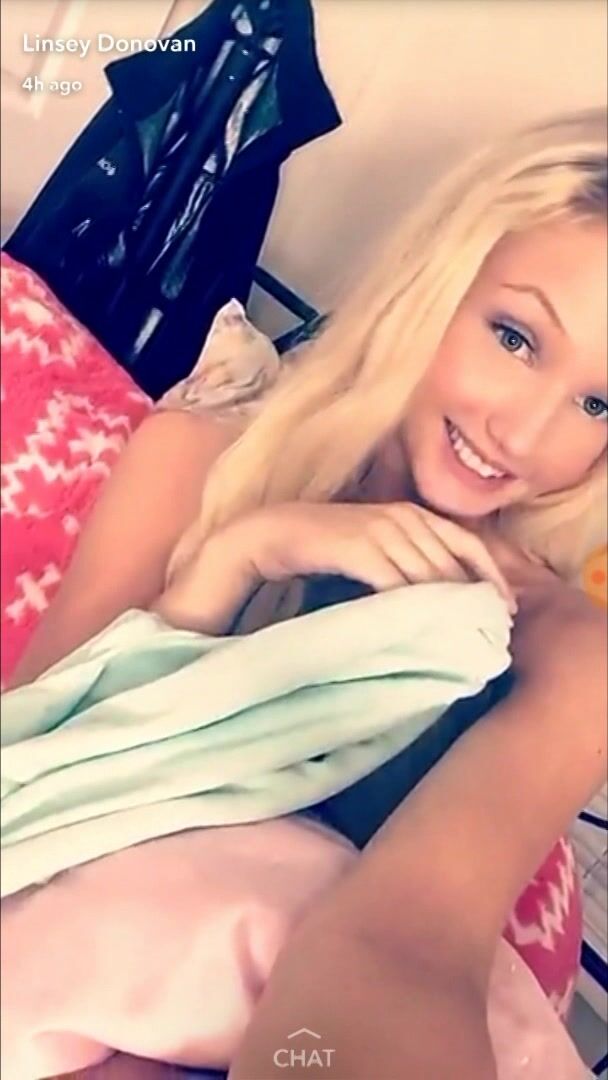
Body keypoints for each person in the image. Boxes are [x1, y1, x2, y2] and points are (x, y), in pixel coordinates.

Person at [9, 109, 607, 1080]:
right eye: (514, 337)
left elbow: (413, 945)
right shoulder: (201, 463)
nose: (525, 434)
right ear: (431, 288)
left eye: (597, 403)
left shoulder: (562, 645)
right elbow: (29, 775)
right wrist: (234, 562)